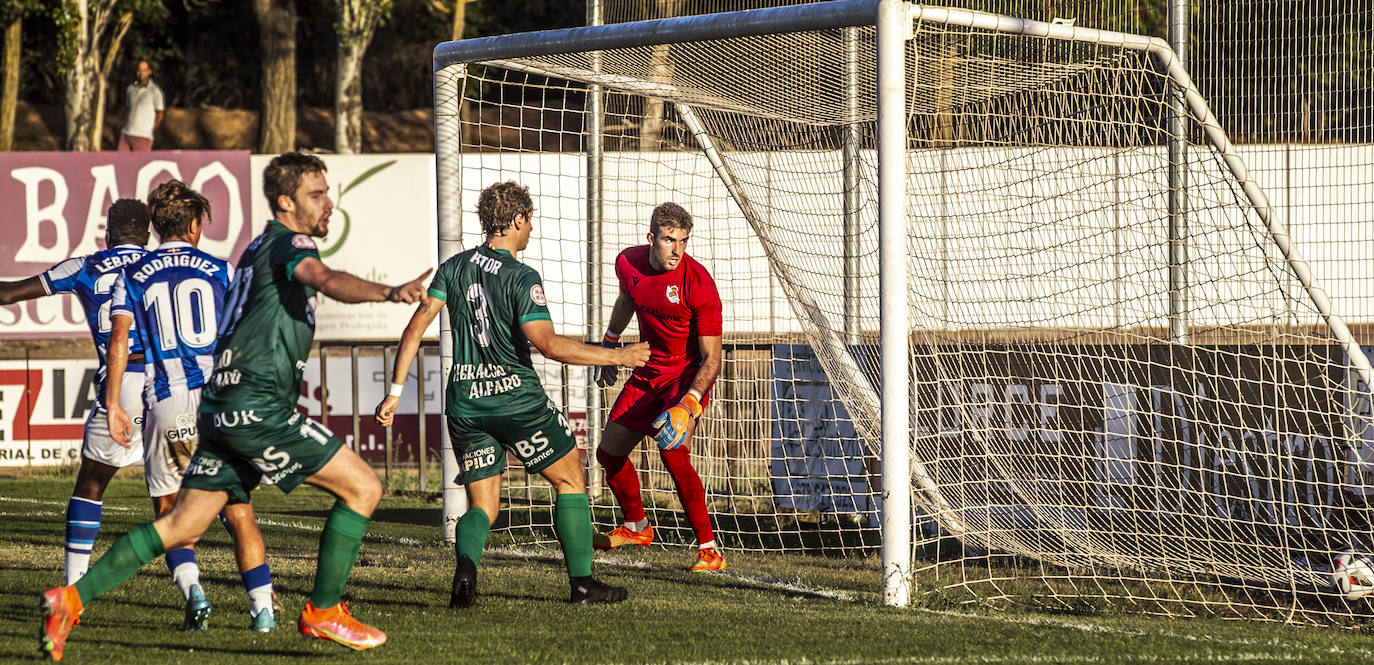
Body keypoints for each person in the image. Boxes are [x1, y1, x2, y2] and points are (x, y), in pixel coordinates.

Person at [39, 151, 430, 661]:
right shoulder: (289, 243)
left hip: (216, 406)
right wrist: (391, 291)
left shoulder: (251, 251)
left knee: (180, 526)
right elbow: (325, 279)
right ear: (286, 202)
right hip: (255, 405)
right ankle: (323, 611)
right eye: (317, 194)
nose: (328, 202)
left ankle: (68, 599)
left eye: (327, 191)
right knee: (364, 487)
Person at [373, 180, 649, 609]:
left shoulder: (454, 266)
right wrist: (619, 356)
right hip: (515, 399)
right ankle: (582, 586)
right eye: (530, 220)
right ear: (518, 220)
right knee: (570, 478)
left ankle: (466, 569)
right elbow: (549, 345)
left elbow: (415, 327)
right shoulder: (523, 277)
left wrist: (394, 393)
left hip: (465, 402)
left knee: (484, 505)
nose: (533, 228)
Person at [0, 200, 226, 621]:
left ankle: (72, 591)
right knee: (184, 500)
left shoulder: (85, 265)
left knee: (91, 484)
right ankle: (217, 588)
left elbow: (9, 293)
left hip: (120, 388)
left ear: (108, 232)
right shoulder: (161, 265)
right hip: (170, 385)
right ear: (148, 233)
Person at [104, 180, 278, 632]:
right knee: (239, 512)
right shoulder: (220, 268)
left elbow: (120, 337)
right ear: (196, 223)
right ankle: (263, 610)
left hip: (165, 400)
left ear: (157, 227)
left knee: (170, 514)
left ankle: (194, 592)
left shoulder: (133, 275)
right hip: (217, 402)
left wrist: (112, 403)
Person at [591, 202, 726, 572]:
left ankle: (709, 549)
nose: (677, 250)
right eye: (669, 240)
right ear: (652, 238)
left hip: (684, 379)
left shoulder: (698, 283)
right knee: (609, 454)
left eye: (683, 241)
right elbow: (626, 300)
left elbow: (712, 358)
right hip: (647, 372)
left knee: (672, 450)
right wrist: (609, 344)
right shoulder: (627, 263)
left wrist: (689, 403)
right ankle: (636, 527)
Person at [118, 60, 164, 152]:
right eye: (139, 70)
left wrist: (151, 129)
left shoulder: (155, 91)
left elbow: (160, 114)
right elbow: (128, 110)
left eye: (144, 70)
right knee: (120, 163)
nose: (141, 73)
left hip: (143, 136)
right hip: (126, 134)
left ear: (149, 72)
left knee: (140, 164)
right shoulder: (130, 89)